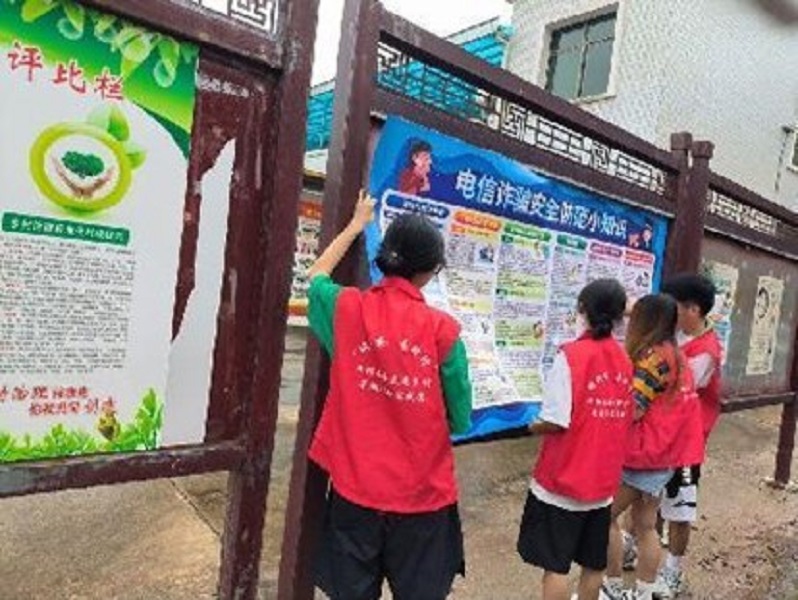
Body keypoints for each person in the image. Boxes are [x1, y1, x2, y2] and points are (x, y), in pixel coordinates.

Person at [307, 191, 473, 600]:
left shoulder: (346, 309)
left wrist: (355, 224)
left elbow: (316, 277)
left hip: (354, 493)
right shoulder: (444, 332)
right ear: (431, 271)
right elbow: (460, 416)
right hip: (423, 502)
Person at [517, 279, 633, 600]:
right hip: (602, 482)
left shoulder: (571, 356)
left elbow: (555, 420)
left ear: (582, 309)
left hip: (564, 480)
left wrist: (529, 427)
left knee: (555, 565)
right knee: (592, 564)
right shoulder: (624, 361)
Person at [600, 295, 704, 600]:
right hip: (664, 456)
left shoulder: (653, 358)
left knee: (604, 518)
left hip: (640, 457)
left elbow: (633, 408)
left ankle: (612, 585)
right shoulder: (678, 356)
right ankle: (644, 592)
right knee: (646, 526)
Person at [654, 274, 723, 597]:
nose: (669, 312)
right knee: (646, 500)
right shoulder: (675, 334)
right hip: (658, 439)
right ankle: (636, 549)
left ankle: (672, 571)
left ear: (693, 309)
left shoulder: (706, 351)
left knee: (678, 509)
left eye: (675, 307)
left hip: (684, 446)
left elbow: (674, 389)